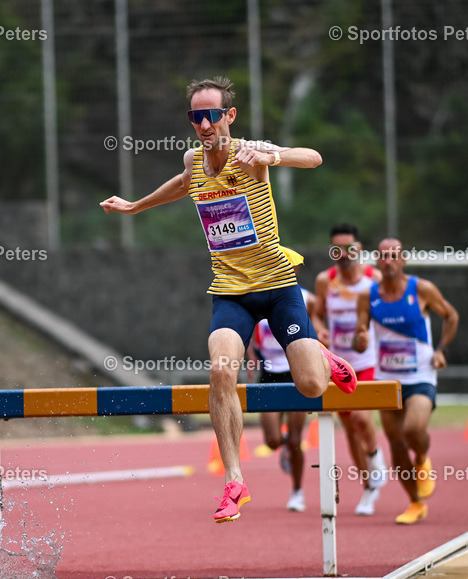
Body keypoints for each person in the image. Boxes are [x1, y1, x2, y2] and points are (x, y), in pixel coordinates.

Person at [100, 76, 357, 523]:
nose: (203, 124)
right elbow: (183, 183)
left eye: (211, 115)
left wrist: (271, 155)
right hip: (230, 292)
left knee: (312, 387)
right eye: (195, 116)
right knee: (221, 371)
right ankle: (235, 481)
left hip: (277, 286)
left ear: (229, 116)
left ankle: (321, 355)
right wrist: (135, 206)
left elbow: (313, 157)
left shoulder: (249, 152)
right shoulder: (193, 160)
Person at [353, 238, 458, 524]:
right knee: (396, 445)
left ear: (403, 259)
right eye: (383, 256)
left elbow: (451, 316)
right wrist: (360, 339)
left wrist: (442, 350)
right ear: (377, 260)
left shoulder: (421, 289)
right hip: (387, 380)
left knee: (413, 430)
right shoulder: (367, 296)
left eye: (393, 256)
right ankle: (415, 502)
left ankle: (422, 457)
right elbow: (359, 338)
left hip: (420, 375)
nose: (388, 261)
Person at [312, 224, 387, 516]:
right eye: (337, 249)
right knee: (350, 431)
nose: (343, 254)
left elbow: (386, 314)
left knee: (361, 419)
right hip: (337, 366)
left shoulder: (373, 278)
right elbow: (317, 315)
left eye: (349, 248)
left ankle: (375, 455)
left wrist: (368, 333)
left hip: (367, 362)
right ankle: (368, 487)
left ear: (359, 248)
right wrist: (320, 330)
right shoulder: (325, 280)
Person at [249, 285, 316, 512]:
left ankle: (297, 491)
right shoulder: (256, 294)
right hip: (268, 374)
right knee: (272, 441)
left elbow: (316, 328)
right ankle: (284, 444)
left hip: (296, 373)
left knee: (297, 440)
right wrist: (250, 355)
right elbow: (250, 328)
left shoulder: (306, 298)